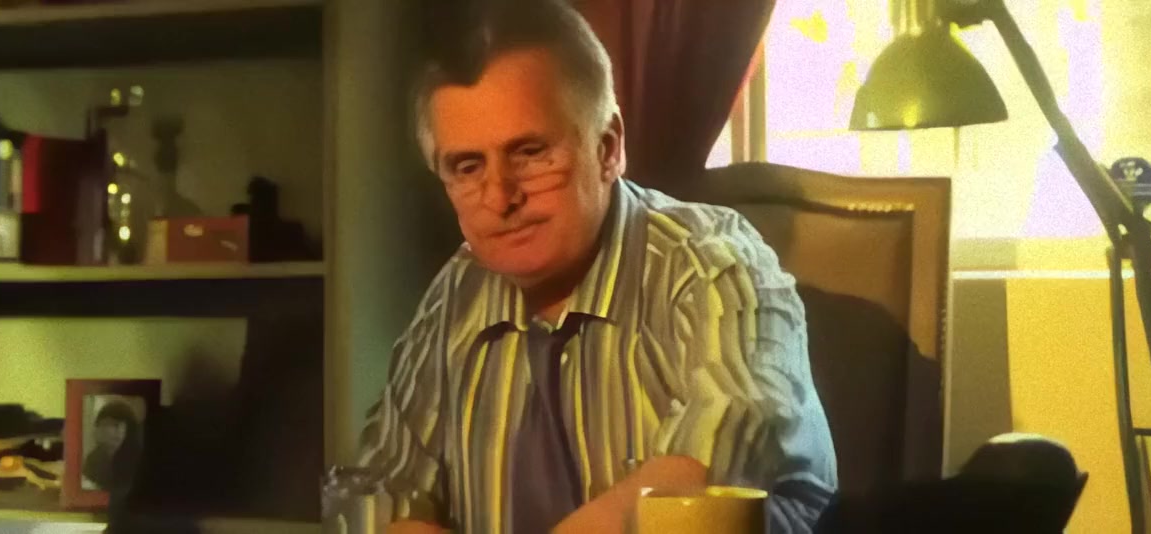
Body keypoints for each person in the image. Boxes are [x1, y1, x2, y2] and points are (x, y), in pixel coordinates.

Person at [355, 1, 837, 532]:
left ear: (608, 149)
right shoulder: (455, 292)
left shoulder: (710, 262)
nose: (499, 197)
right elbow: (383, 485)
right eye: (467, 166)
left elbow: (719, 450)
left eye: (530, 153)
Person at [82, 398, 141, 492]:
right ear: (98, 428)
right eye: (114, 425)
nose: (120, 431)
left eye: (124, 426)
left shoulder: (138, 458)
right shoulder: (93, 459)